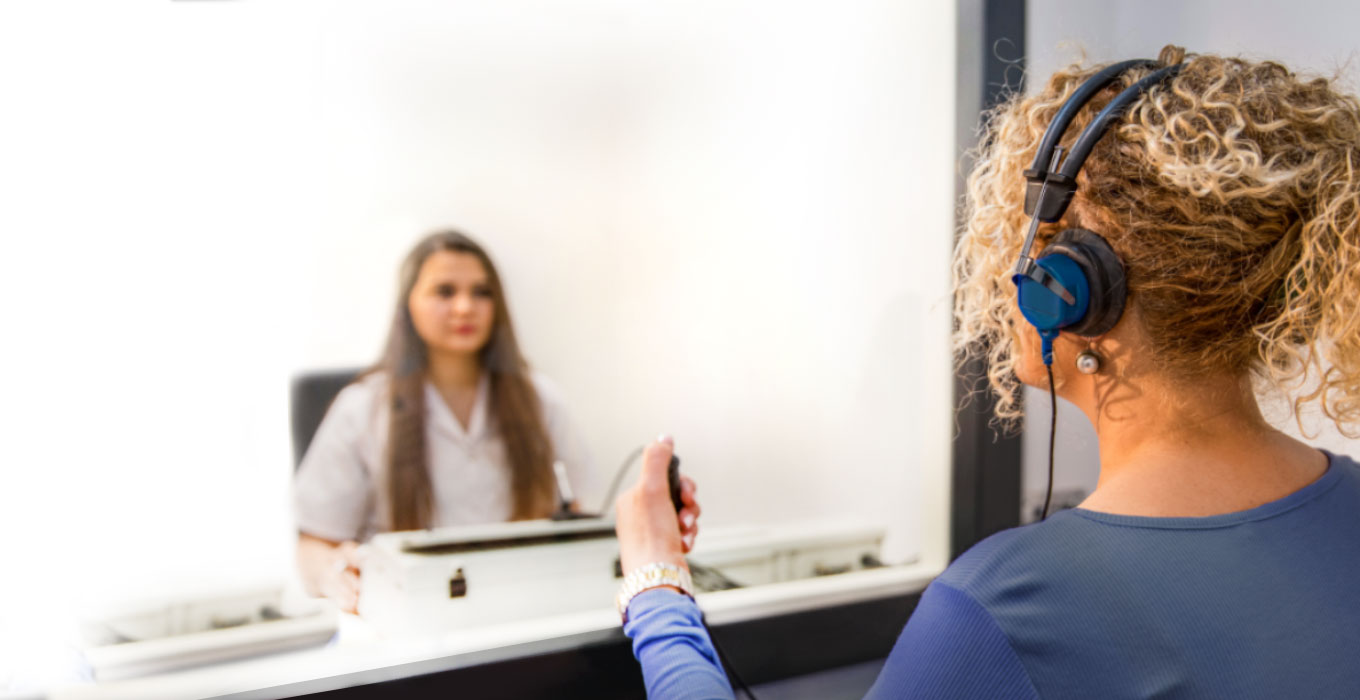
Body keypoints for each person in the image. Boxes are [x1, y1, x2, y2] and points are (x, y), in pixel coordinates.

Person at [614, 46, 1360, 698]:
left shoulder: (1011, 608)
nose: (1008, 271)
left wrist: (657, 586)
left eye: (1028, 239)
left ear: (1073, 290)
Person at [294, 229, 594, 613]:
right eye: (445, 292)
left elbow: (580, 516)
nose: (466, 307)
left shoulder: (540, 399)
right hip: (409, 616)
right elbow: (313, 545)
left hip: (519, 608)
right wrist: (333, 574)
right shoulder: (362, 408)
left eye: (482, 292)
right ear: (408, 305)